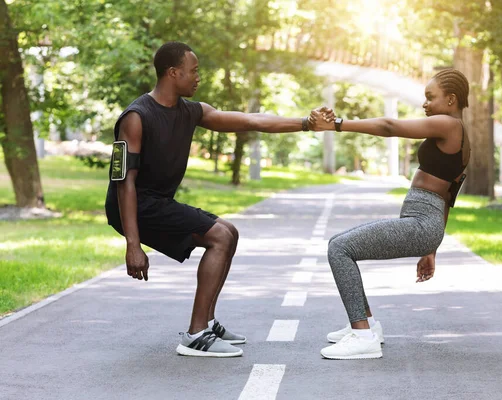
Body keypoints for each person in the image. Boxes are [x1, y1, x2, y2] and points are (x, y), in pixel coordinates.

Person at [104, 41, 332, 358]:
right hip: (133, 205)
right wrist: (133, 243)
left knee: (229, 232)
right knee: (220, 236)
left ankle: (207, 323)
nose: (198, 77)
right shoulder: (136, 117)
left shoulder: (191, 111)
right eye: (193, 71)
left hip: (156, 202)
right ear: (173, 72)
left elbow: (252, 120)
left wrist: (305, 124)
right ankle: (196, 334)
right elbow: (123, 183)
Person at [309, 68, 471, 360]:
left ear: (451, 99)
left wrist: (337, 125)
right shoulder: (456, 132)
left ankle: (362, 336)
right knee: (339, 242)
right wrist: (431, 248)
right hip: (425, 224)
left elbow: (388, 126)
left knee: (340, 248)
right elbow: (448, 198)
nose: (425, 104)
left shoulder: (449, 125)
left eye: (430, 98)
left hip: (423, 223)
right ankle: (368, 325)